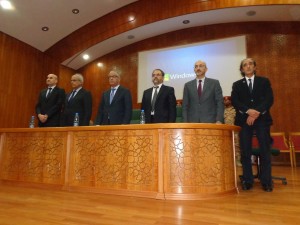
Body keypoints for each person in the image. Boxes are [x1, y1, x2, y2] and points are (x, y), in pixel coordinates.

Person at [231, 58, 274, 192]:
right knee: (245, 151)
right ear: (242, 69)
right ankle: (248, 180)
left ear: (255, 67)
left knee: (265, 150)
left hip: (262, 119)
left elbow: (269, 99)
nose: (248, 66)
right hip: (244, 120)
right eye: (245, 65)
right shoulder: (237, 84)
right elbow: (235, 101)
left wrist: (256, 112)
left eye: (250, 64)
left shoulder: (264, 81)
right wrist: (248, 111)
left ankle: (266, 181)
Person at [224, 96, 241, 166]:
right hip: (225, 131)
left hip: (235, 131)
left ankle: (238, 161)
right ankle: (228, 161)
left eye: (227, 100)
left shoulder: (235, 109)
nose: (226, 101)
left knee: (236, 146)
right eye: (224, 100)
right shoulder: (222, 110)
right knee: (227, 146)